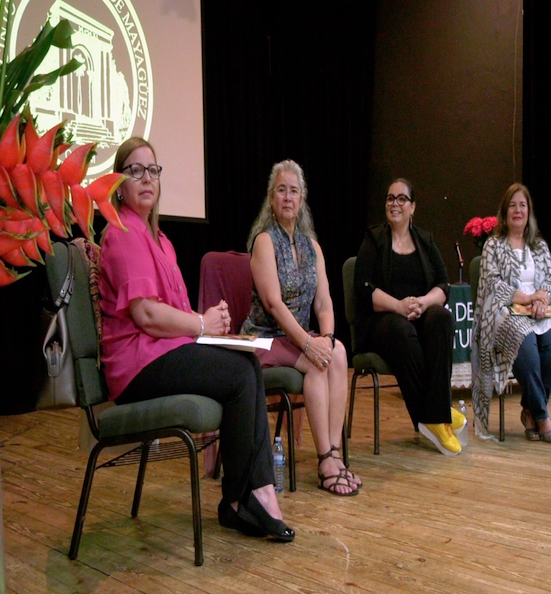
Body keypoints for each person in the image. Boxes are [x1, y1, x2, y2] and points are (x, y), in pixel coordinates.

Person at [98, 137, 293, 542]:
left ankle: (250, 496)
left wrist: (211, 325)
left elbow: (178, 313)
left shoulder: (161, 241)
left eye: (153, 170)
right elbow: (147, 315)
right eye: (135, 170)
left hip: (164, 353)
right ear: (119, 182)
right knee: (240, 376)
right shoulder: (122, 232)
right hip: (137, 366)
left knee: (246, 364)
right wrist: (202, 325)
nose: (146, 178)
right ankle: (247, 498)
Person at [241, 159, 361, 496]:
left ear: (303, 197)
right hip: (264, 337)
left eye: (294, 191)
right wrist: (310, 346)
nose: (288, 197)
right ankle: (324, 460)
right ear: (271, 197)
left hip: (298, 338)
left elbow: (324, 303)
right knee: (316, 361)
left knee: (337, 354)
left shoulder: (313, 247)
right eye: (282, 190)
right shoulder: (264, 241)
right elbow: (274, 306)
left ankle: (335, 454)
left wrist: (326, 338)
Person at [354, 178, 466, 456]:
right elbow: (364, 288)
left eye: (401, 199)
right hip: (381, 322)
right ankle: (434, 418)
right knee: (401, 330)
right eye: (390, 198)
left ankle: (435, 412)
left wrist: (424, 303)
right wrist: (399, 306)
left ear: (413, 207)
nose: (394, 204)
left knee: (441, 319)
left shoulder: (425, 241)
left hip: (416, 314)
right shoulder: (374, 239)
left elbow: (443, 284)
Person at [471, 183, 551, 443]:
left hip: (540, 310)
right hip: (507, 311)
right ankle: (542, 417)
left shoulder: (539, 246)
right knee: (523, 341)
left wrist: (542, 299)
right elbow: (493, 284)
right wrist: (527, 298)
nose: (518, 210)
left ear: (529, 212)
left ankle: (529, 409)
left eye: (523, 205)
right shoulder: (493, 245)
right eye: (512, 205)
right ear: (504, 212)